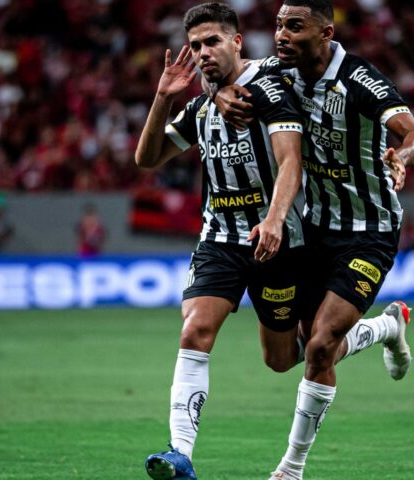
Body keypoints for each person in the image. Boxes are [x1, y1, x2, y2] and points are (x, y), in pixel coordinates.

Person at [213, 1, 414, 478]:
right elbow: (229, 74)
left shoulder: (358, 80)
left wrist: (404, 158)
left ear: (325, 33)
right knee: (284, 357)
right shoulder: (277, 72)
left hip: (368, 233)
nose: (281, 35)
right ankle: (386, 329)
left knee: (320, 346)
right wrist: (219, 94)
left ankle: (291, 467)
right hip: (311, 229)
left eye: (294, 26)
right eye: (277, 25)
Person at [135, 4, 307, 479]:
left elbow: (290, 159)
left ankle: (367, 332)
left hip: (278, 239)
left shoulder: (271, 82)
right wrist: (163, 97)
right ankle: (180, 454)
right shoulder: (200, 108)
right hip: (220, 240)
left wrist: (274, 219)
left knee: (282, 359)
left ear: (236, 41)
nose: (203, 52)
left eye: (213, 41)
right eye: (195, 46)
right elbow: (147, 157)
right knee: (194, 331)